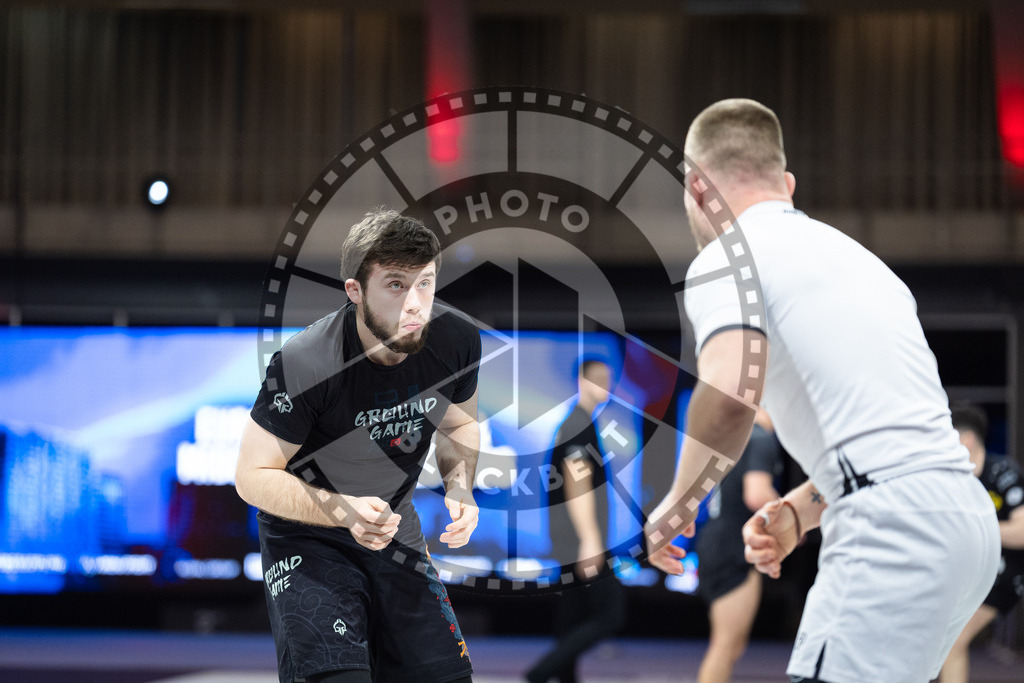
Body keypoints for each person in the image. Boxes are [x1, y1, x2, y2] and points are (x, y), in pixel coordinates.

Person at [643, 98, 1000, 682]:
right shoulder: (864, 263)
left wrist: (681, 501)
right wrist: (804, 513)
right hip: (965, 522)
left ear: (698, 189)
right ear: (786, 184)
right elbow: (900, 435)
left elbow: (730, 392)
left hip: (894, 530)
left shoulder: (728, 258)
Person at [235, 208, 482, 683]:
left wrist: (460, 485)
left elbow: (458, 426)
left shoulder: (456, 339)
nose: (415, 304)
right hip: (306, 535)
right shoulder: (306, 361)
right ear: (355, 291)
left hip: (393, 527)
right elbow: (252, 476)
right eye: (395, 284)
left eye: (425, 283)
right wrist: (342, 511)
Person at [526, 358, 626, 683]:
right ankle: (542, 672)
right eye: (598, 379)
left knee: (573, 614)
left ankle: (560, 676)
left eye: (608, 380)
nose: (605, 387)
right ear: (581, 381)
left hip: (570, 538)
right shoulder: (577, 424)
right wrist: (591, 539)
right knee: (610, 613)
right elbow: (577, 481)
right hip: (577, 539)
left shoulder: (582, 422)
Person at [694, 407, 781, 683]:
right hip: (733, 547)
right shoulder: (760, 438)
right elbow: (756, 494)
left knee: (731, 645)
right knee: (724, 645)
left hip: (714, 541)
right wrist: (794, 517)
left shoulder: (732, 441)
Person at [939, 403, 1024, 683]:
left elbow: (1022, 532)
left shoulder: (1003, 472)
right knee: (941, 642)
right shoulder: (951, 480)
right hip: (971, 575)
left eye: (946, 436)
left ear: (966, 440)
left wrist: (975, 528)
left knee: (952, 641)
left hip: (1008, 573)